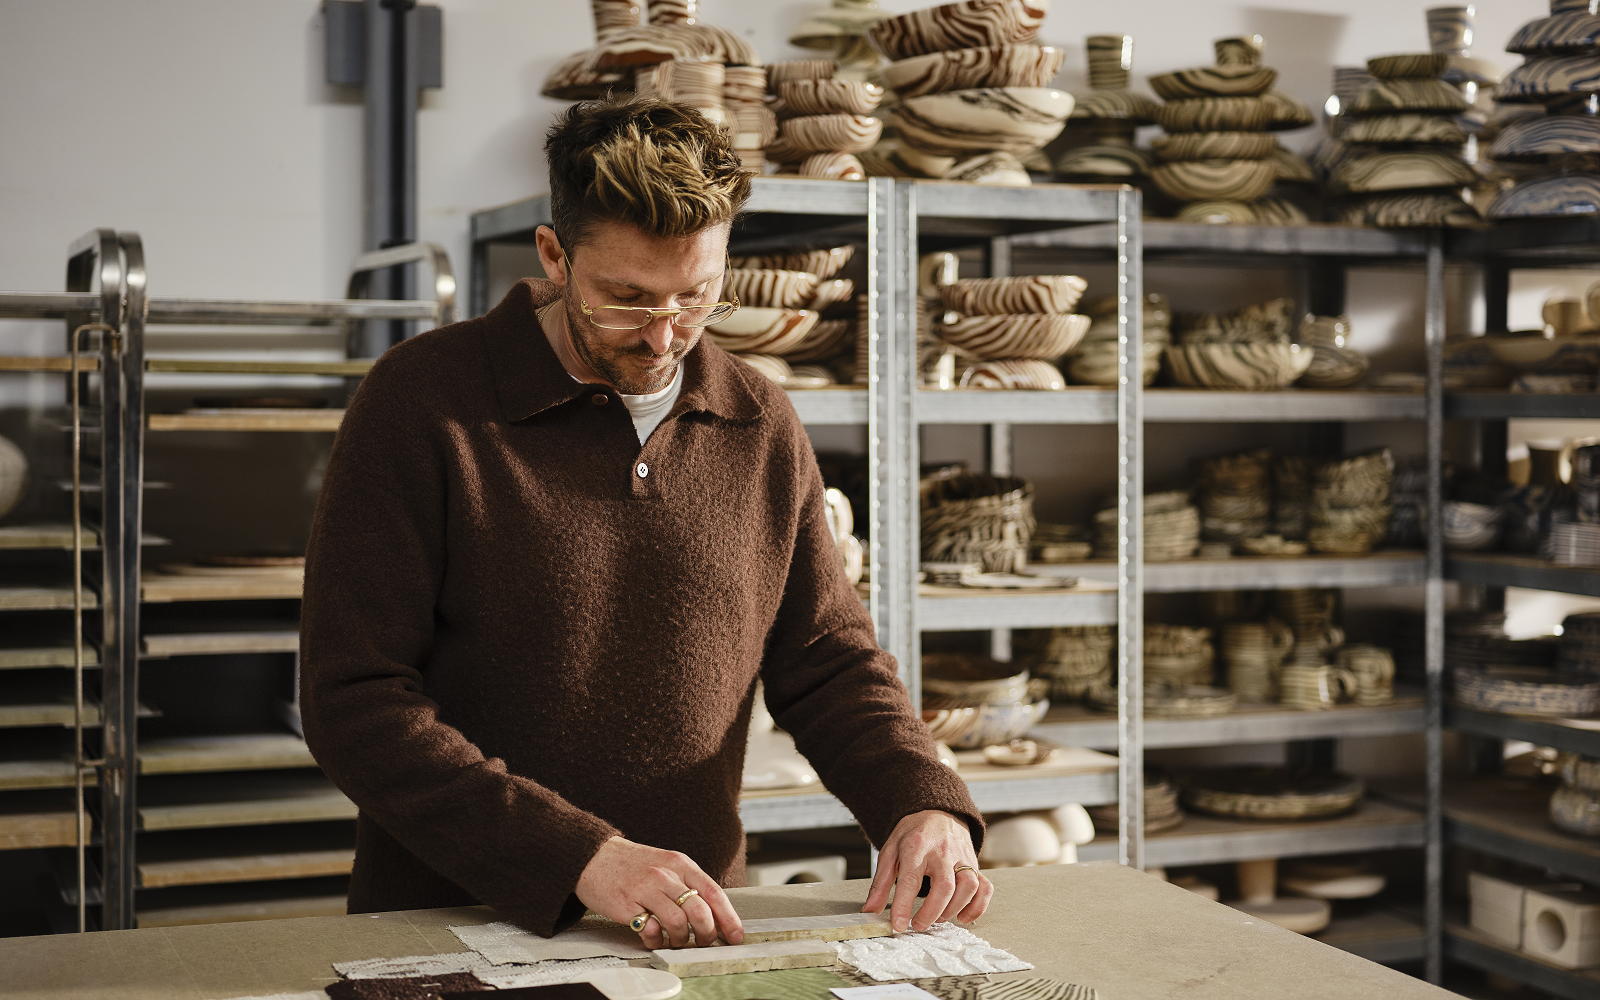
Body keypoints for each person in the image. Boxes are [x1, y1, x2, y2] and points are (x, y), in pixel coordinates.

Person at [299, 95, 991, 949]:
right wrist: (581, 857)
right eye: (624, 300)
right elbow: (353, 700)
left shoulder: (757, 421)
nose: (664, 338)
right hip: (451, 921)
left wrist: (919, 798)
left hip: (683, 936)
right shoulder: (422, 402)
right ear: (554, 256)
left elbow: (827, 661)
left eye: (695, 297)